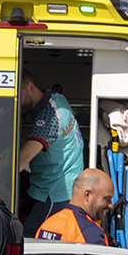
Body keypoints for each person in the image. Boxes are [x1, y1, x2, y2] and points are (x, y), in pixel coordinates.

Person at [18, 75, 85, 233]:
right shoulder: (57, 99)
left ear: (30, 86)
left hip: (54, 192)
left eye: (18, 94)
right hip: (64, 186)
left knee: (29, 237)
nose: (17, 101)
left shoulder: (50, 117)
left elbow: (23, 158)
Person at [33, 168, 115, 244]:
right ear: (87, 195)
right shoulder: (89, 232)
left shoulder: (47, 224)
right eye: (107, 198)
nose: (111, 205)